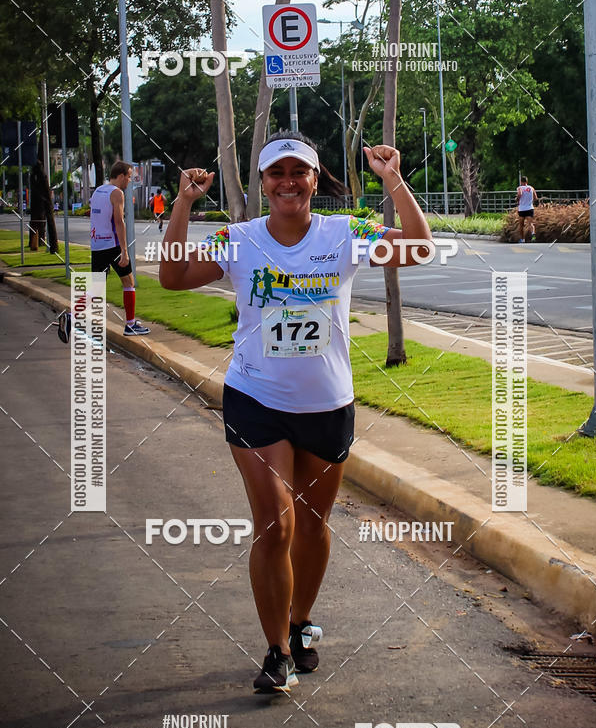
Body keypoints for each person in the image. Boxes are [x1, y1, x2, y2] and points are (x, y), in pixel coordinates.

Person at [159, 131, 433, 694]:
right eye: (276, 173)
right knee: (275, 521)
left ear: (314, 179)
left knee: (312, 523)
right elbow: (173, 276)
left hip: (327, 403)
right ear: (262, 184)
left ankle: (301, 619)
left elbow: (419, 248)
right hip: (255, 398)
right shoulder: (239, 240)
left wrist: (393, 180)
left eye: (299, 172)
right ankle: (276, 651)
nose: (288, 181)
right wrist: (184, 203)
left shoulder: (347, 233)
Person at [57, 160, 150, 342]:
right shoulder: (117, 193)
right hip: (112, 244)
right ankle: (130, 324)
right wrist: (124, 250)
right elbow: (118, 222)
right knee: (128, 282)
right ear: (121, 175)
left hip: (97, 245)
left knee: (96, 288)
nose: (129, 180)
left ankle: (71, 316)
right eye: (129, 176)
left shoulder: (99, 190)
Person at [516, 175, 538, 243]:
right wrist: (531, 202)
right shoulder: (531, 188)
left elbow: (520, 194)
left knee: (521, 225)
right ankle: (533, 235)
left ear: (521, 182)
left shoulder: (520, 188)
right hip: (530, 208)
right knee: (530, 224)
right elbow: (536, 198)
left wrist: (517, 199)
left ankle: (522, 239)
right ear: (527, 181)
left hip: (522, 209)